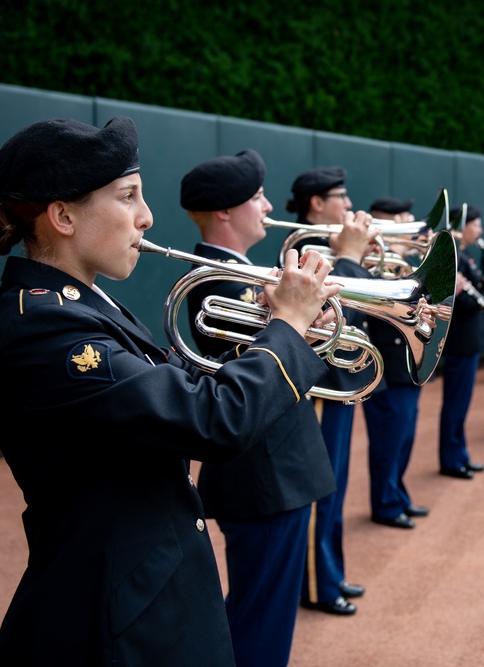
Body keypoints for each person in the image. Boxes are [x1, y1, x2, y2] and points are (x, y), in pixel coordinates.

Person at [0, 117, 337, 664]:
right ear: (63, 216)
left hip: (147, 588)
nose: (147, 216)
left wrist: (269, 327)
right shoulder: (46, 329)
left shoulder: (87, 305)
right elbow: (214, 421)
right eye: (128, 197)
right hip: (116, 618)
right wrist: (286, 328)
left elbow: (177, 390)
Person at [179, 150, 337, 665]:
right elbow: (260, 379)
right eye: (257, 198)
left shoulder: (244, 275)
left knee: (261, 613)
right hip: (265, 475)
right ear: (225, 212)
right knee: (260, 623)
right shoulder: (217, 281)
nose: (269, 205)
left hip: (275, 471)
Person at [287, 166, 377, 616]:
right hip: (320, 386)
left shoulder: (332, 247)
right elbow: (344, 315)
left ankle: (331, 571)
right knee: (322, 489)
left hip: (340, 383)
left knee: (336, 487)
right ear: (316, 204)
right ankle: (318, 585)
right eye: (339, 197)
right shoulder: (306, 250)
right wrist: (352, 259)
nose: (348, 204)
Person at [362, 197, 431, 526]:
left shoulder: (404, 259)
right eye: (398, 220)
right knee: (388, 441)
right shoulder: (369, 258)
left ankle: (397, 494)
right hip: (385, 363)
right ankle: (386, 504)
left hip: (407, 360)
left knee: (404, 438)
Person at [438, 205, 484, 478]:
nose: (480, 231)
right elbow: (461, 302)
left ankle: (460, 455)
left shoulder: (465, 254)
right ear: (463, 226)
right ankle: (451, 460)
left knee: (461, 404)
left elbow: (473, 293)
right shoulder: (454, 254)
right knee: (455, 404)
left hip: (468, 340)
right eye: (476, 225)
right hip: (460, 340)